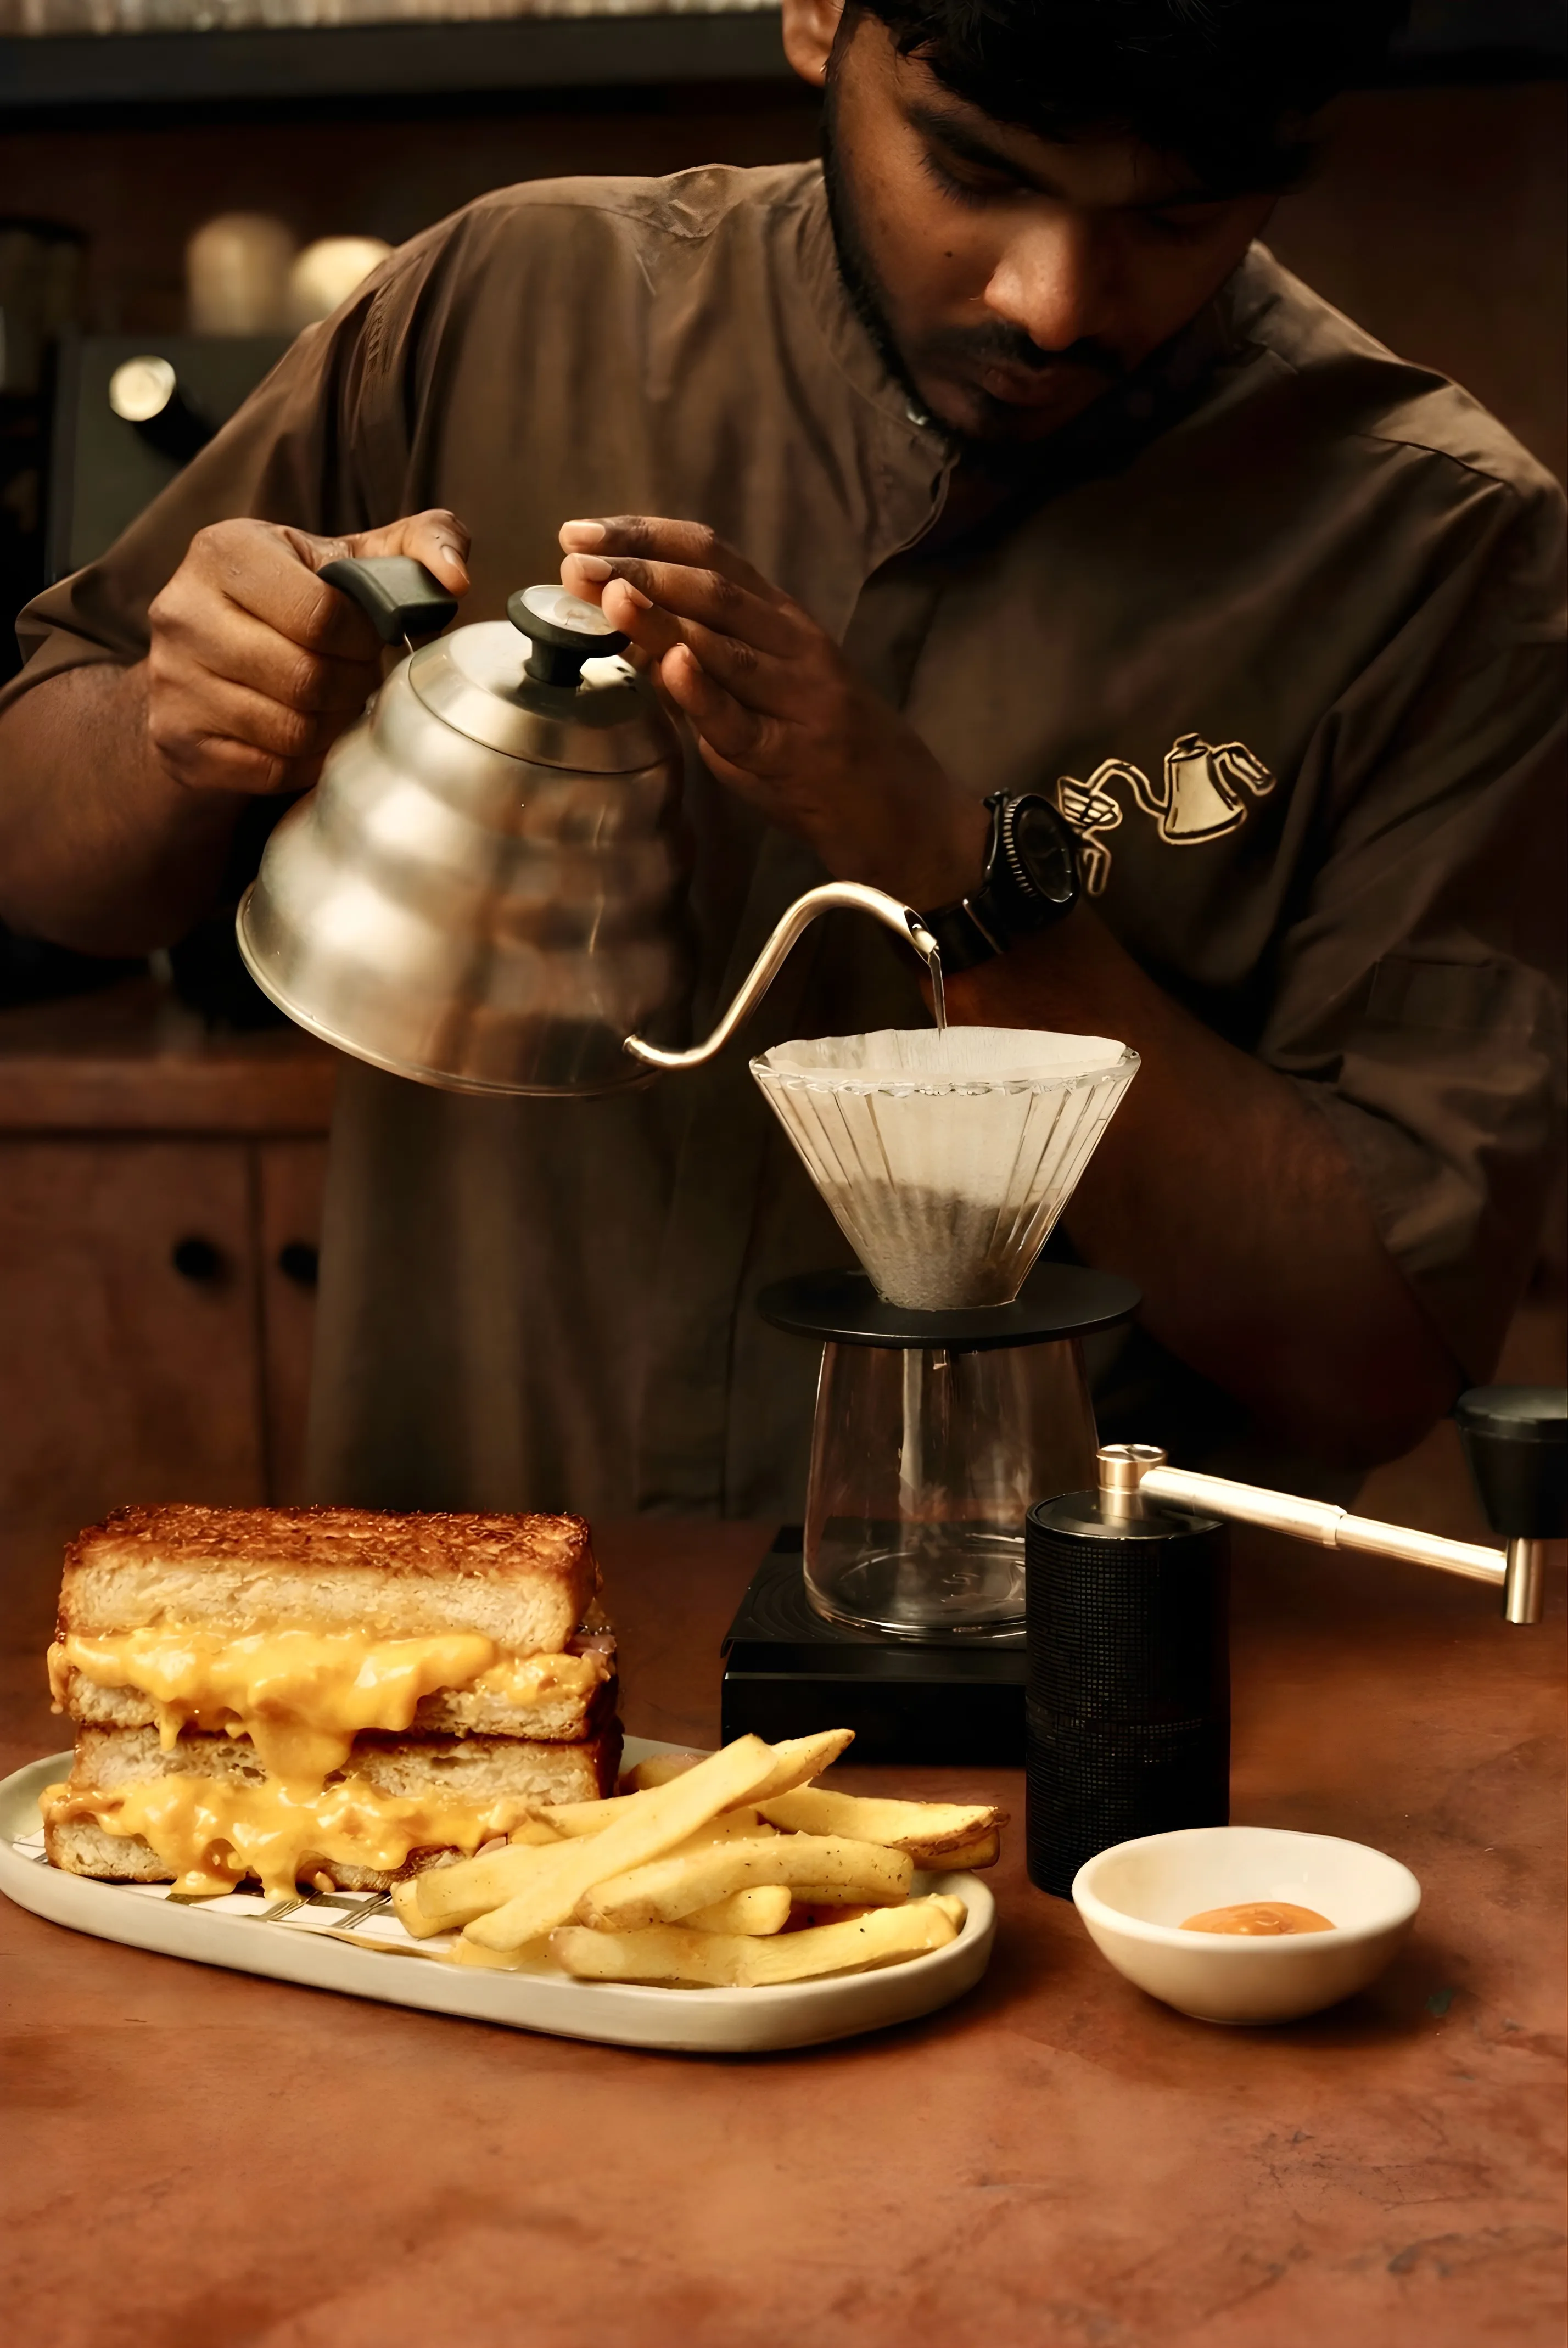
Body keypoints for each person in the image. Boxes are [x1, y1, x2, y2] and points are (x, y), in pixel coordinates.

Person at [0, 0, 1561, 1519]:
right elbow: (40, 857)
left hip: (1060, 1703)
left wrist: (949, 859)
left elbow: (1374, 1353)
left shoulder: (1439, 547)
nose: (1053, 302)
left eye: (1182, 217)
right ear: (821, 15)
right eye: (979, 170)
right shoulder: (502, 304)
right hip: (467, 1672)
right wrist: (167, 724)